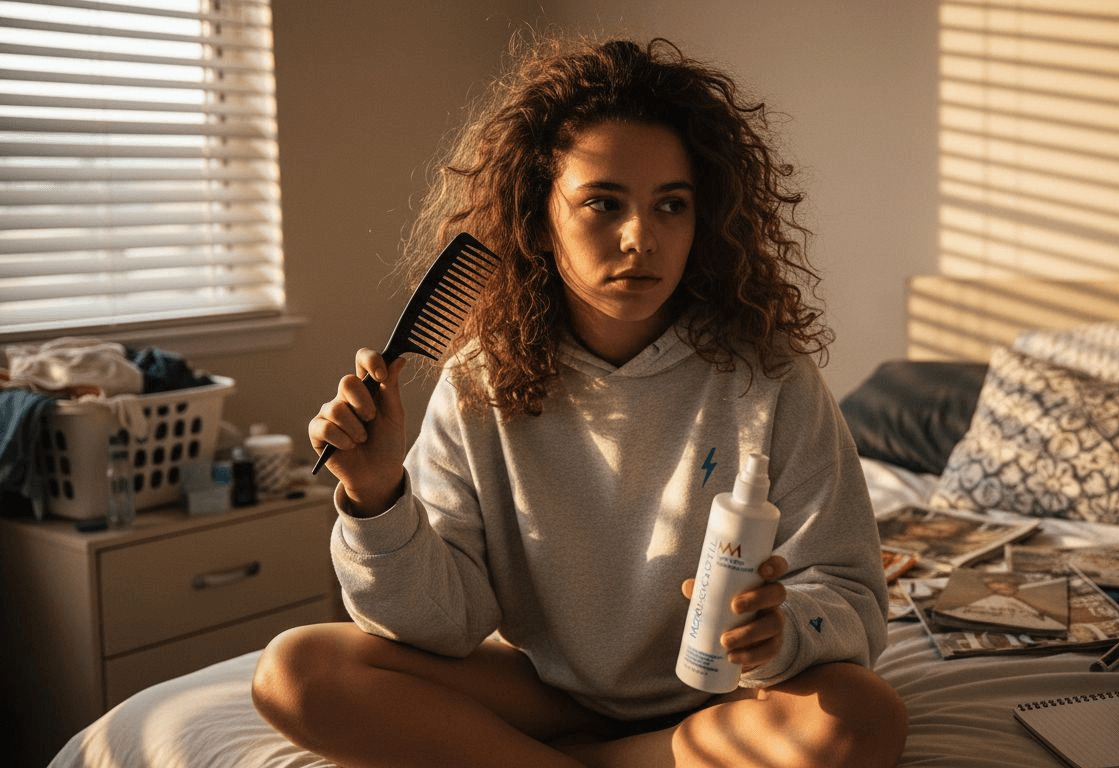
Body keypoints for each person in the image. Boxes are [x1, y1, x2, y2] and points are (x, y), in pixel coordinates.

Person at [251, 35, 907, 768]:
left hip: (719, 700)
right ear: (539, 217)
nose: (640, 238)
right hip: (546, 692)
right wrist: (376, 497)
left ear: (704, 219)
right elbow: (444, 623)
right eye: (602, 202)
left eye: (672, 205)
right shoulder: (480, 382)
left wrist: (784, 632)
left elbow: (850, 595)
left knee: (863, 716)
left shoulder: (771, 378)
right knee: (293, 672)